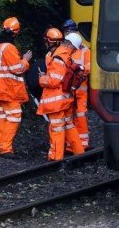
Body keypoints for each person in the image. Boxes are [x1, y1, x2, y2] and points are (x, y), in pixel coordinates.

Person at [0, 17, 32, 158]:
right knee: (14, 117)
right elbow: (17, 68)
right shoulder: (9, 47)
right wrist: (25, 60)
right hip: (8, 89)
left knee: (4, 117)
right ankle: (6, 149)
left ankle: (3, 146)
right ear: (16, 32)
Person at [38, 28, 85, 161]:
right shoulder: (66, 57)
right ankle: (80, 153)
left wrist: (42, 78)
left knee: (57, 128)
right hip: (66, 99)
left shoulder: (58, 57)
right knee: (69, 125)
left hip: (56, 102)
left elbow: (53, 81)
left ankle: (56, 158)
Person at [63, 19, 91, 149]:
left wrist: (81, 69)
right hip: (68, 88)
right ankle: (70, 144)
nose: (68, 33)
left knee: (80, 115)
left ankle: (83, 143)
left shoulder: (84, 49)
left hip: (80, 89)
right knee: (68, 116)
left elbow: (89, 66)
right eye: (67, 31)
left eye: (69, 31)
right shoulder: (64, 48)